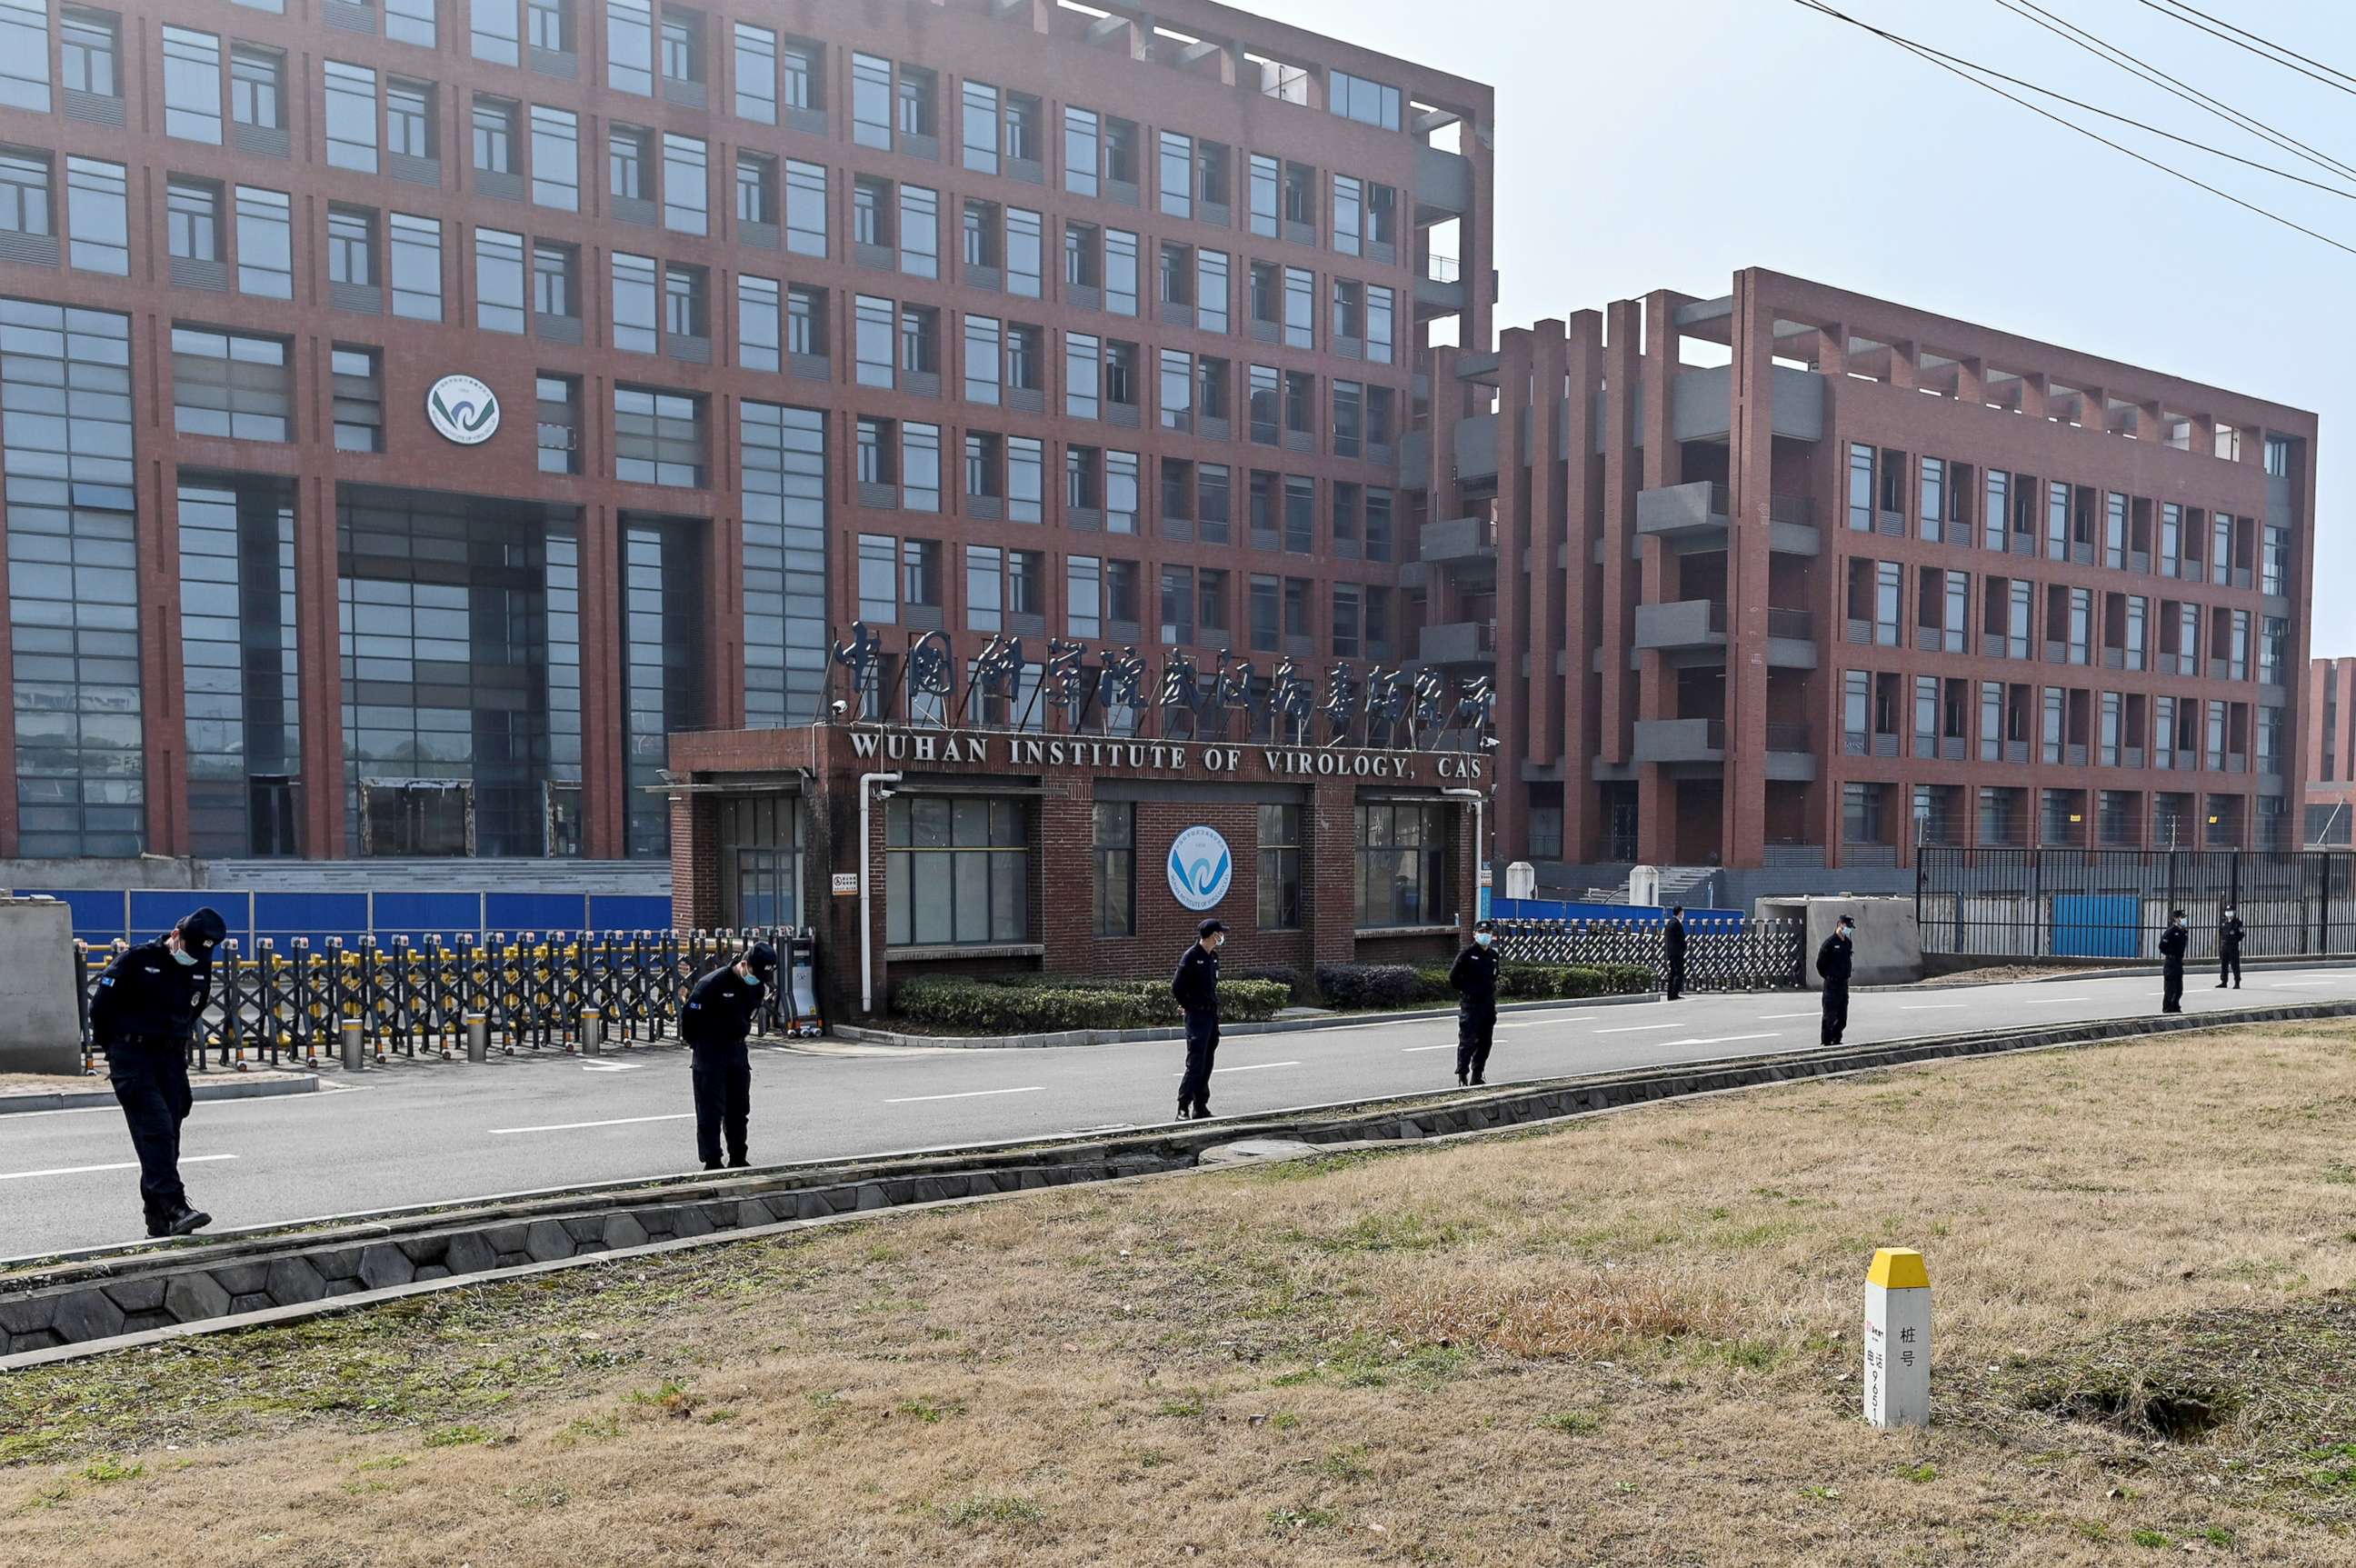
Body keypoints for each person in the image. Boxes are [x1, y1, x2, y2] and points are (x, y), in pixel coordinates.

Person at [91, 906, 228, 1238]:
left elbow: (194, 1007)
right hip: (132, 1055)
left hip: (169, 1057)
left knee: (168, 1136)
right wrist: (114, 1049)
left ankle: (158, 1217)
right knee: (155, 1128)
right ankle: (176, 1206)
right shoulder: (137, 960)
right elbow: (100, 1007)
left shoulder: (198, 963)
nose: (194, 958)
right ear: (176, 935)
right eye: (190, 949)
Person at [681, 941, 777, 1171]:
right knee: (710, 1112)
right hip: (709, 1051)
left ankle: (738, 1157)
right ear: (744, 964)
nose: (759, 980)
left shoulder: (756, 986)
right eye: (755, 973)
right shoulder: (712, 984)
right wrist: (699, 1044)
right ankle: (712, 1161)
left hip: (736, 1050)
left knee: (739, 1108)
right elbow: (689, 1019)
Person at [1172, 918, 1224, 1120]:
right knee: (1195, 1063)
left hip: (1211, 1016)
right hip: (1197, 1017)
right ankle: (1183, 1107)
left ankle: (1200, 1106)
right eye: (1220, 933)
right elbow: (1177, 987)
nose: (1222, 936)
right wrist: (1188, 1006)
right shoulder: (1191, 956)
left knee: (1207, 1062)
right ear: (1213, 935)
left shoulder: (1213, 957)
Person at [1450, 919, 1502, 1086]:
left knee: (1485, 1042)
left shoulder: (1493, 956)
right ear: (1474, 934)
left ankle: (1477, 1075)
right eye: (1481, 932)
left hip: (1487, 1004)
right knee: (1467, 1041)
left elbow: (1494, 976)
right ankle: (1463, 1074)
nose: (1484, 935)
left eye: (1488, 933)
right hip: (1470, 1005)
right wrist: (1467, 990)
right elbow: (1454, 978)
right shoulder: (1467, 954)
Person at [1815, 914, 1854, 1046]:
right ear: (1840, 925)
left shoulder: (1847, 943)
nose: (1848, 929)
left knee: (1842, 1016)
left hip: (1843, 984)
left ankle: (1837, 1038)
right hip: (1832, 983)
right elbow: (1820, 964)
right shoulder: (1830, 943)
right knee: (1829, 1015)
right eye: (1847, 926)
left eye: (1850, 927)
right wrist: (1828, 976)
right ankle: (1826, 1040)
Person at [2160, 909, 2188, 1014]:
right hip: (2171, 962)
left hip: (2179, 962)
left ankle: (2176, 1006)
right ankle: (2167, 1008)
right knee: (2170, 988)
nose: (2184, 919)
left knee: (2179, 988)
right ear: (2176, 918)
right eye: (2182, 917)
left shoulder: (2183, 931)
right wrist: (2171, 953)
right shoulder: (2171, 931)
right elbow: (2162, 946)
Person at [2216, 903, 2244, 991]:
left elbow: (2241, 935)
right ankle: (2224, 981)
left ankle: (2237, 982)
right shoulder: (2224, 922)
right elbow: (2221, 933)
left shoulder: (2237, 923)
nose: (2228, 913)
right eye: (2227, 911)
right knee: (2224, 965)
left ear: (2234, 912)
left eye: (2230, 911)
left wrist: (2234, 941)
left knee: (2235, 965)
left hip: (2233, 947)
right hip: (2225, 946)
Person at [1662, 905, 1688, 1001]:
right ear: (1680, 913)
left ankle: (1670, 994)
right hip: (1677, 952)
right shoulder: (1677, 924)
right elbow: (1681, 938)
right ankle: (1675, 994)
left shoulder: (1669, 923)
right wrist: (1684, 947)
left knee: (1672, 973)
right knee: (1679, 973)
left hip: (1670, 952)